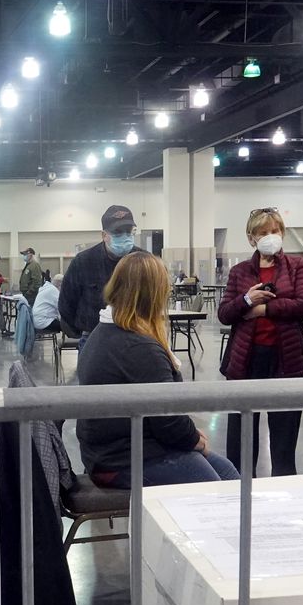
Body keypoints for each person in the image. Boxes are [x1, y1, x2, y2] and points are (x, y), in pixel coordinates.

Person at [76, 251, 237, 488]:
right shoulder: (138, 346)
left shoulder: (107, 330)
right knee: (213, 489)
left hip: (114, 450)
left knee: (228, 473)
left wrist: (191, 436)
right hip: (120, 460)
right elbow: (168, 419)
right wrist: (194, 439)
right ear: (153, 294)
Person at [218, 208, 303, 476]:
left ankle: (282, 488)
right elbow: (225, 314)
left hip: (286, 358)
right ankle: (239, 486)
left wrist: (263, 310)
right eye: (263, 233)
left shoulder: (297, 266)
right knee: (241, 434)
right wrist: (247, 299)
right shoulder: (239, 272)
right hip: (245, 360)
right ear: (252, 239)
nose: (271, 236)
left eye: (275, 231)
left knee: (284, 434)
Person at [60, 205, 145, 349]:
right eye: (118, 232)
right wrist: (79, 329)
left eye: (128, 231)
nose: (124, 236)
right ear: (104, 235)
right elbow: (67, 301)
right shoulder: (84, 261)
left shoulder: (144, 261)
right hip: (94, 338)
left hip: (136, 337)